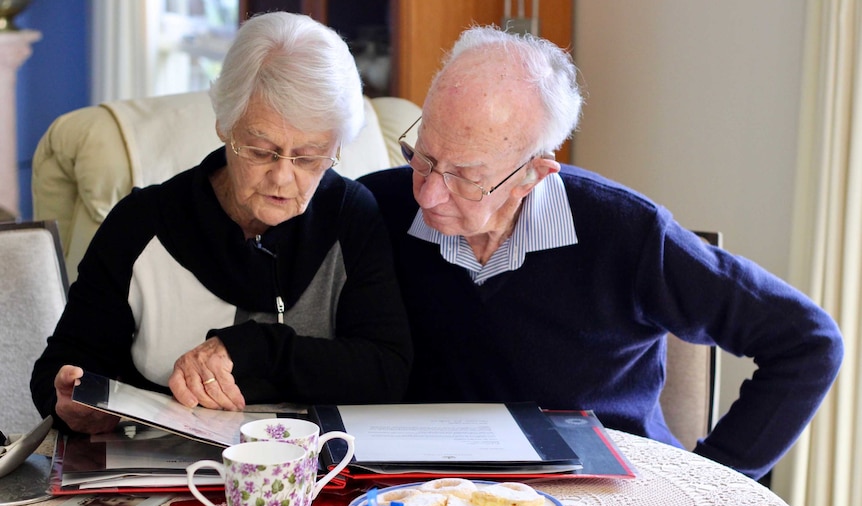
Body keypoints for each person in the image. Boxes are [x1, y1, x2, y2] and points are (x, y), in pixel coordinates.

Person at [357, 25, 844, 480]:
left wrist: (710, 481)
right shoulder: (375, 207)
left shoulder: (628, 232)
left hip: (606, 496)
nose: (428, 196)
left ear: (535, 174)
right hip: (434, 493)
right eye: (422, 157)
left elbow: (807, 341)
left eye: (466, 177)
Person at [30, 12, 412, 435]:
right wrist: (69, 402)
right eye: (262, 150)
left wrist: (254, 347)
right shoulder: (143, 223)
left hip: (311, 475)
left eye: (309, 157)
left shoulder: (350, 216)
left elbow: (386, 370)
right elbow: (63, 365)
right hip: (162, 470)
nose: (283, 178)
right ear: (224, 125)